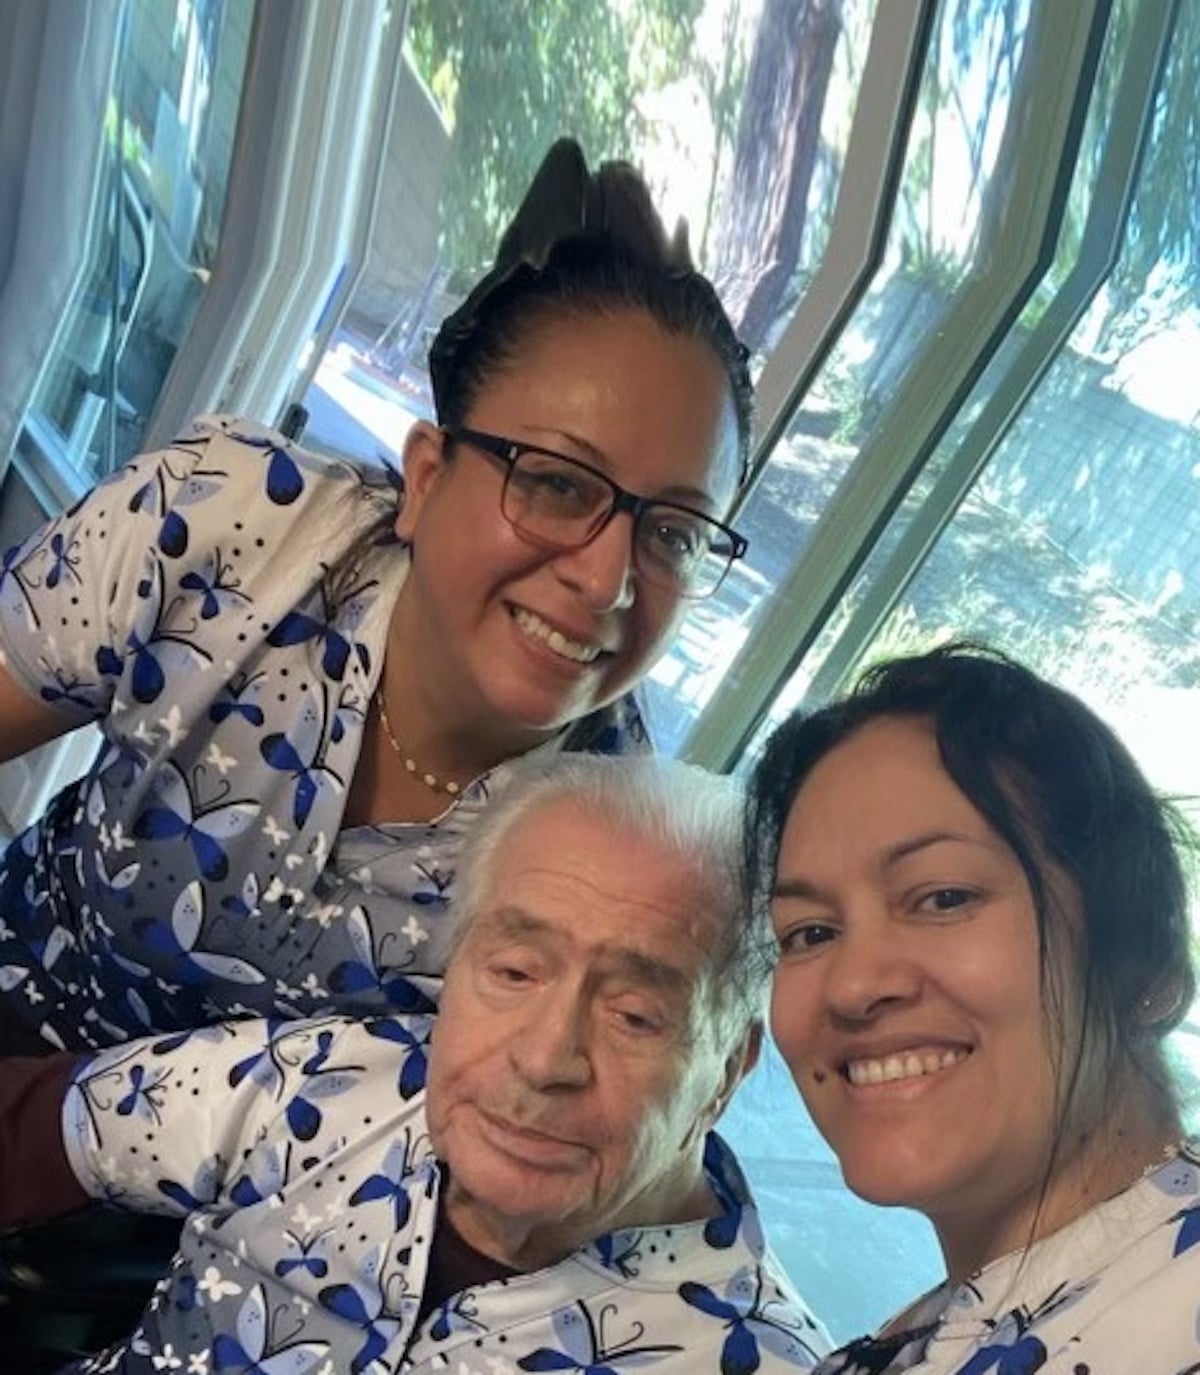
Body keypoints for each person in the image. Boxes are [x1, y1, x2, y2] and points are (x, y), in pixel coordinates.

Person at [0, 136, 753, 1054]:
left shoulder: (608, 861)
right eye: (557, 482)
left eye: (672, 532)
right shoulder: (231, 524)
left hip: (252, 1192)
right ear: (428, 479)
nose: (606, 581)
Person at [0, 754, 830, 1373]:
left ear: (726, 1070)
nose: (544, 1058)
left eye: (635, 1014)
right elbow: (47, 1125)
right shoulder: (331, 1081)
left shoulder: (752, 1356)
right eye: (512, 971)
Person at [746, 642, 1200, 1374]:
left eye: (944, 896)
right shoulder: (932, 1334)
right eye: (810, 932)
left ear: (1145, 963)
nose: (853, 983)